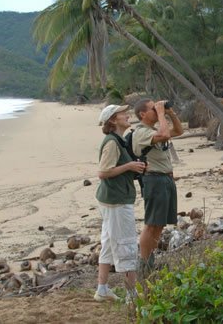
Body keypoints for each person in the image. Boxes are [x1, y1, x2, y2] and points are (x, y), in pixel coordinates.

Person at [94, 104, 146, 302]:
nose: (127, 115)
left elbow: (111, 170)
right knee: (125, 243)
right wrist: (130, 166)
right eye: (123, 113)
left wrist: (131, 168)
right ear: (113, 120)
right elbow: (103, 172)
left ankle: (102, 289)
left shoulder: (118, 141)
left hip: (111, 199)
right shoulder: (112, 143)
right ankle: (131, 294)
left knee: (108, 242)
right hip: (116, 201)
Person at [132, 98, 183, 275]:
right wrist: (161, 114)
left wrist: (170, 113)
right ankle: (144, 264)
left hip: (165, 179)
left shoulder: (154, 130)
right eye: (152, 108)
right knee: (151, 223)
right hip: (153, 180)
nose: (156, 110)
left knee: (160, 224)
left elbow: (178, 130)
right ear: (142, 114)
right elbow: (165, 135)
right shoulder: (140, 133)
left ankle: (150, 261)